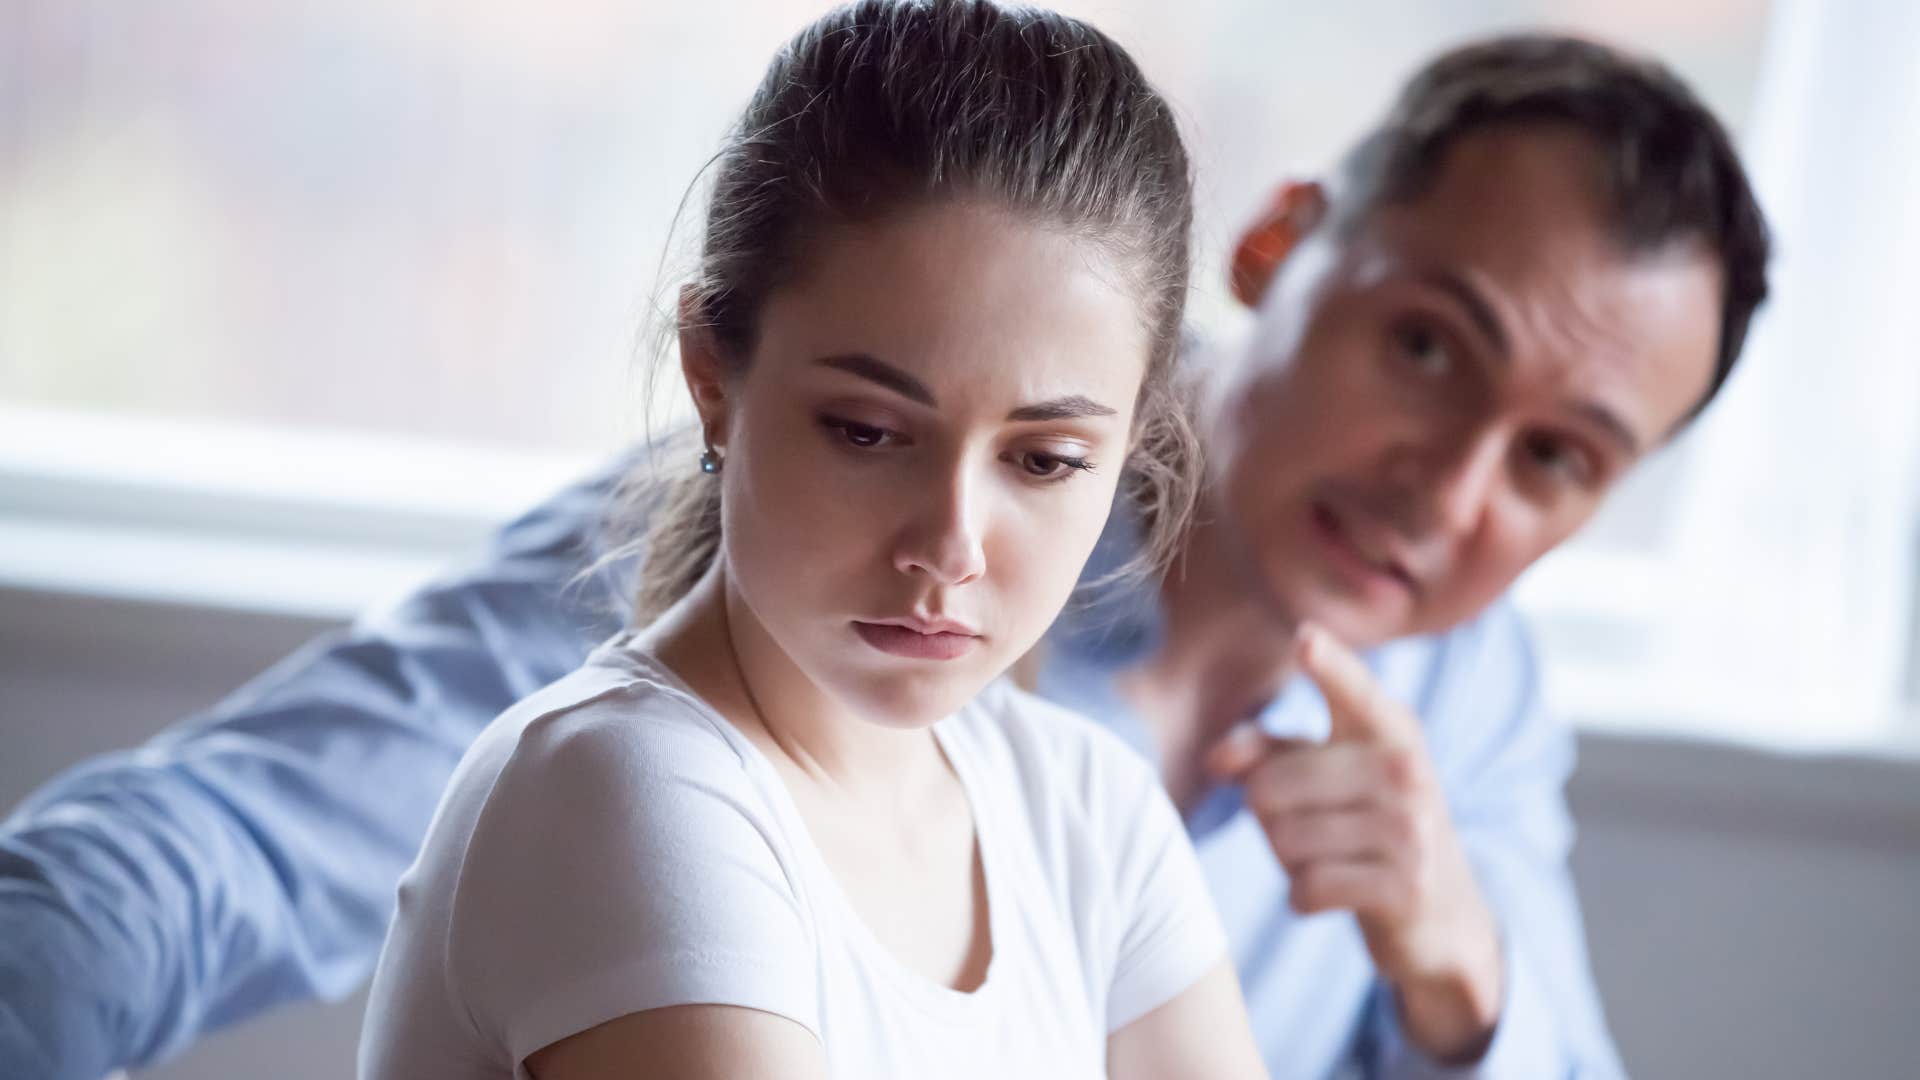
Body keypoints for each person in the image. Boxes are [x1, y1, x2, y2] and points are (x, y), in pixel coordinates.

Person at [0, 26, 1768, 1080]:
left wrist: (1463, 980)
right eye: (1428, 348)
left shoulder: (1449, 712)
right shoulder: (751, 576)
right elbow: (222, 840)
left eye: (1557, 458)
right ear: (1278, 249)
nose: (1447, 493)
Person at [353, 2, 1272, 1077]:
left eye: (1044, 460)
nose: (951, 547)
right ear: (712, 378)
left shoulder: (1091, 818)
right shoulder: (622, 789)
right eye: (868, 432)